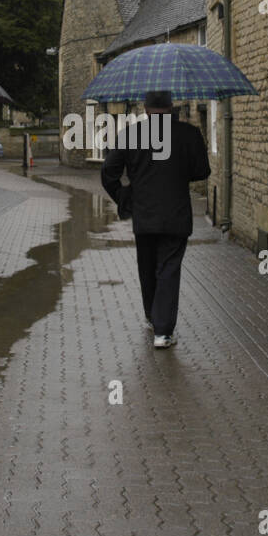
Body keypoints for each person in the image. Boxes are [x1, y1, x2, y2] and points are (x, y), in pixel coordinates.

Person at [101, 90, 210, 349]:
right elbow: (202, 171)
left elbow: (109, 172)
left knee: (147, 268)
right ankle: (163, 331)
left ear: (145, 108)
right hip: (176, 214)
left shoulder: (131, 134)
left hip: (144, 214)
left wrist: (124, 197)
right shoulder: (189, 134)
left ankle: (153, 316)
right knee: (168, 270)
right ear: (171, 107)